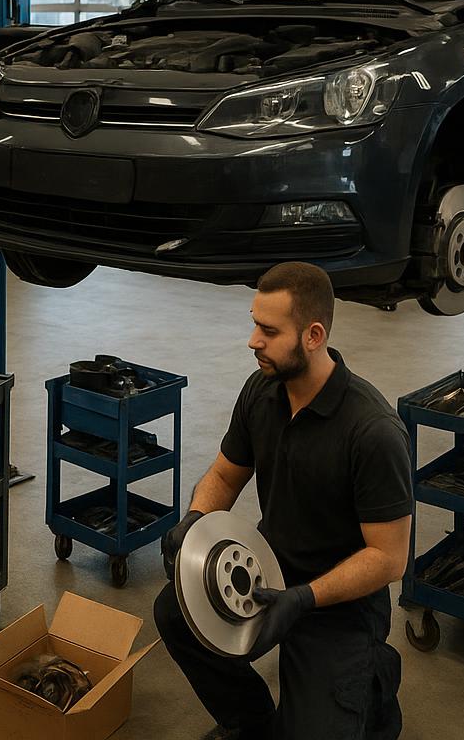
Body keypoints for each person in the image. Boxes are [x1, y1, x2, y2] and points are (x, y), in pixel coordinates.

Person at [154, 262, 411, 740]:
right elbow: (225, 475)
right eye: (254, 323)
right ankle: (250, 722)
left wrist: (304, 598)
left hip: (340, 602)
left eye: (268, 330)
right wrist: (195, 516)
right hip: (268, 571)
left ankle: (373, 691)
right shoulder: (262, 390)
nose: (253, 340)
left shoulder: (373, 432)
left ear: (313, 335)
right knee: (174, 611)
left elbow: (389, 558)